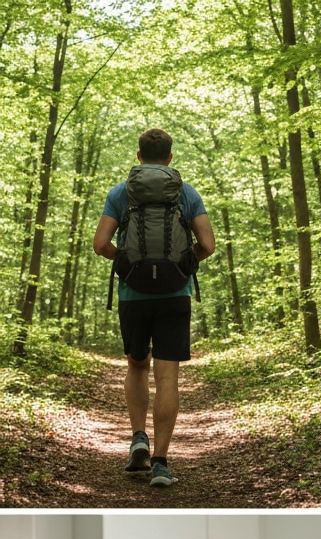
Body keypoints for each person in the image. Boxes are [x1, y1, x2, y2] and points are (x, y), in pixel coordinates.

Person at [92, 128, 216, 487]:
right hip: (175, 295)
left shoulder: (121, 193)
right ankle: (161, 463)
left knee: (136, 365)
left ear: (138, 155)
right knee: (167, 377)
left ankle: (138, 439)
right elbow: (207, 245)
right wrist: (181, 265)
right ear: (170, 157)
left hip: (134, 295)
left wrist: (127, 263)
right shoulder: (186, 193)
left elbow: (100, 244)